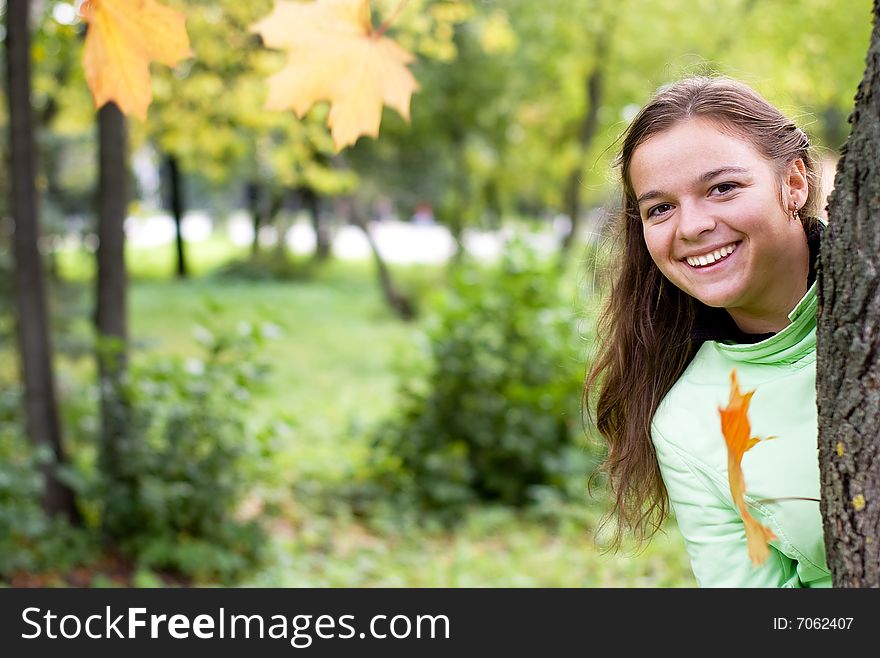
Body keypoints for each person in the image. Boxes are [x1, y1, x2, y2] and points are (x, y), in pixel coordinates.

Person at [585, 76, 831, 587]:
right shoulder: (689, 421)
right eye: (661, 208)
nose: (691, 226)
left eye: (722, 188)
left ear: (794, 183)